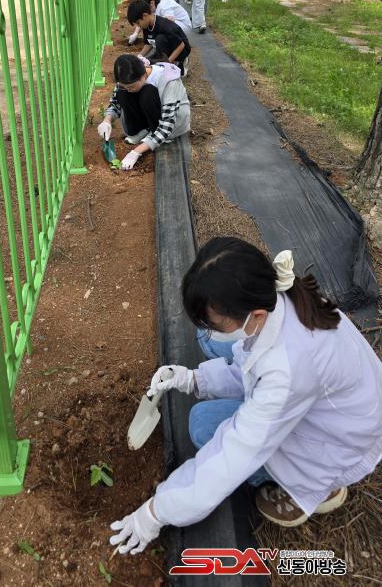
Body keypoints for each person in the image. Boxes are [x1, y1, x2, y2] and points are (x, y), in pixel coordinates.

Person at [109, 237, 382, 554]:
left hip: (336, 440)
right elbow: (251, 366)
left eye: (217, 323)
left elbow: (231, 457)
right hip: (338, 402)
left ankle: (318, 488)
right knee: (211, 340)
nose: (209, 328)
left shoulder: (288, 372)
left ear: (257, 316)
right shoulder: (276, 293)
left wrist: (157, 511)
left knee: (204, 426)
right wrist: (191, 379)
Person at [97, 54, 190, 170]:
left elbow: (167, 124)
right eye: (125, 86)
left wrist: (136, 152)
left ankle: (153, 132)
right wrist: (107, 120)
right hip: (151, 116)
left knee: (148, 92)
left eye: (131, 86)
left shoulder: (168, 79)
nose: (129, 90)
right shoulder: (125, 80)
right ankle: (144, 130)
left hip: (172, 124)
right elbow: (115, 103)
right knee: (122, 93)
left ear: (144, 75)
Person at [127, 0, 191, 74]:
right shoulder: (147, 26)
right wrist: (140, 56)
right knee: (147, 63)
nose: (138, 26)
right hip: (166, 49)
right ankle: (165, 61)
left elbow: (181, 45)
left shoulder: (164, 26)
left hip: (182, 49)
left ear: (145, 15)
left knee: (160, 39)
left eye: (138, 23)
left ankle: (179, 63)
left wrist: (167, 63)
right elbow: (149, 43)